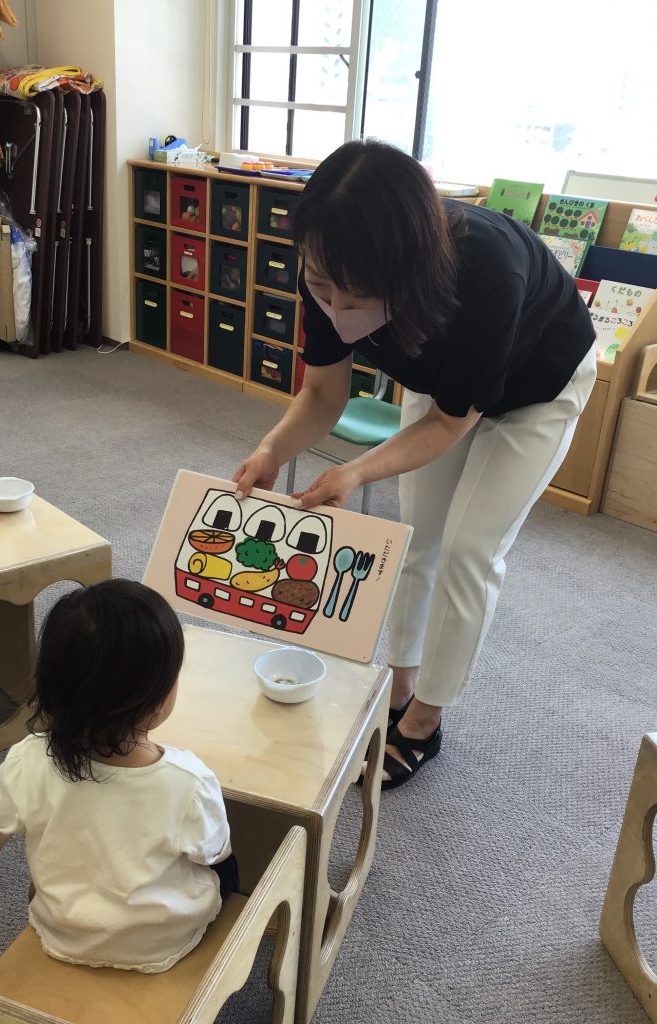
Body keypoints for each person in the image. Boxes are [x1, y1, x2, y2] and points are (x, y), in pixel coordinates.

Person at [233, 139, 596, 790]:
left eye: (357, 295)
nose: (337, 310)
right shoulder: (326, 260)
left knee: (467, 551)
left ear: (407, 270)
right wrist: (269, 450)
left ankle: (425, 722)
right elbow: (322, 393)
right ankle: (399, 692)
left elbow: (453, 422)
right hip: (440, 378)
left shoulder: (488, 270)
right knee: (410, 542)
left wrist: (355, 472)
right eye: (322, 287)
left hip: (537, 387)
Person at [0, 579, 237, 972]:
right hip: (163, 944)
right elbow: (215, 853)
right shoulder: (189, 780)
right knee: (229, 872)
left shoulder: (27, 759)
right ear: (153, 700)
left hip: (62, 933)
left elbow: (0, 818)